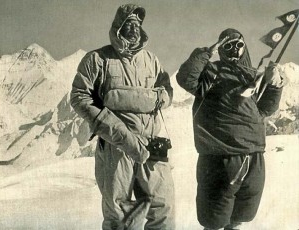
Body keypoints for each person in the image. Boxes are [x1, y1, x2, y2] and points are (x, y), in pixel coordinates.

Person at [70, 4, 175, 230]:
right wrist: (118, 132)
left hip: (151, 144)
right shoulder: (97, 59)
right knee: (120, 216)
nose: (134, 28)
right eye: (128, 23)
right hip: (115, 148)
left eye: (137, 24)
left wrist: (159, 98)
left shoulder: (151, 60)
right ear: (118, 26)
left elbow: (167, 91)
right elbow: (79, 97)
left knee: (162, 210)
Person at [176, 28, 284, 230]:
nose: (234, 49)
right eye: (228, 45)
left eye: (239, 44)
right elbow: (186, 79)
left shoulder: (253, 75)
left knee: (241, 217)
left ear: (245, 48)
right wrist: (206, 53)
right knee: (214, 219)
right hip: (220, 155)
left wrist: (274, 85)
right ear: (221, 49)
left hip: (253, 155)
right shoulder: (210, 71)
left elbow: (264, 110)